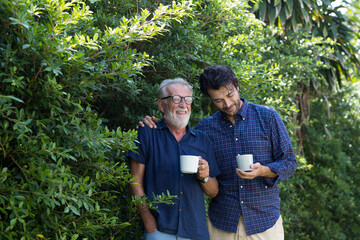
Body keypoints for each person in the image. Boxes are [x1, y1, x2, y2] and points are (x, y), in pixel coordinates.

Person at [140, 65, 297, 240]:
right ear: (210, 99)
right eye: (218, 100)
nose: (227, 104)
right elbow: (177, 135)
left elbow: (289, 163)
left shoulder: (267, 117)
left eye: (230, 95)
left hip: (264, 222)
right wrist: (151, 122)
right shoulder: (205, 129)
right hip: (221, 224)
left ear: (237, 85)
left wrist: (264, 171)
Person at [128, 78, 220, 240]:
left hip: (196, 233)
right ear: (161, 105)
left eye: (187, 99)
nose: (183, 105)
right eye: (176, 99)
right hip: (159, 232)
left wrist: (204, 177)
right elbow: (134, 181)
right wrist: (149, 224)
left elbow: (214, 192)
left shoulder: (202, 140)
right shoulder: (147, 134)